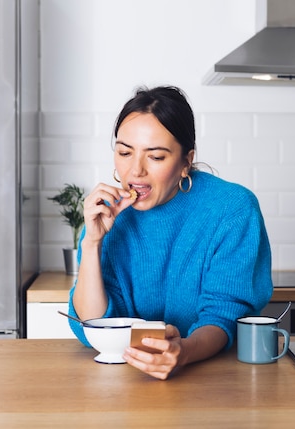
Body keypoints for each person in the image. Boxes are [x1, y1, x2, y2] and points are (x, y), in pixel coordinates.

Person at [67, 85, 273, 380]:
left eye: (156, 157)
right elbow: (92, 323)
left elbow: (222, 317)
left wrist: (184, 353)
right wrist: (92, 242)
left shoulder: (232, 209)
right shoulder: (107, 215)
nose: (135, 171)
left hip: (210, 378)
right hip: (120, 380)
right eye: (124, 152)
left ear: (186, 161)